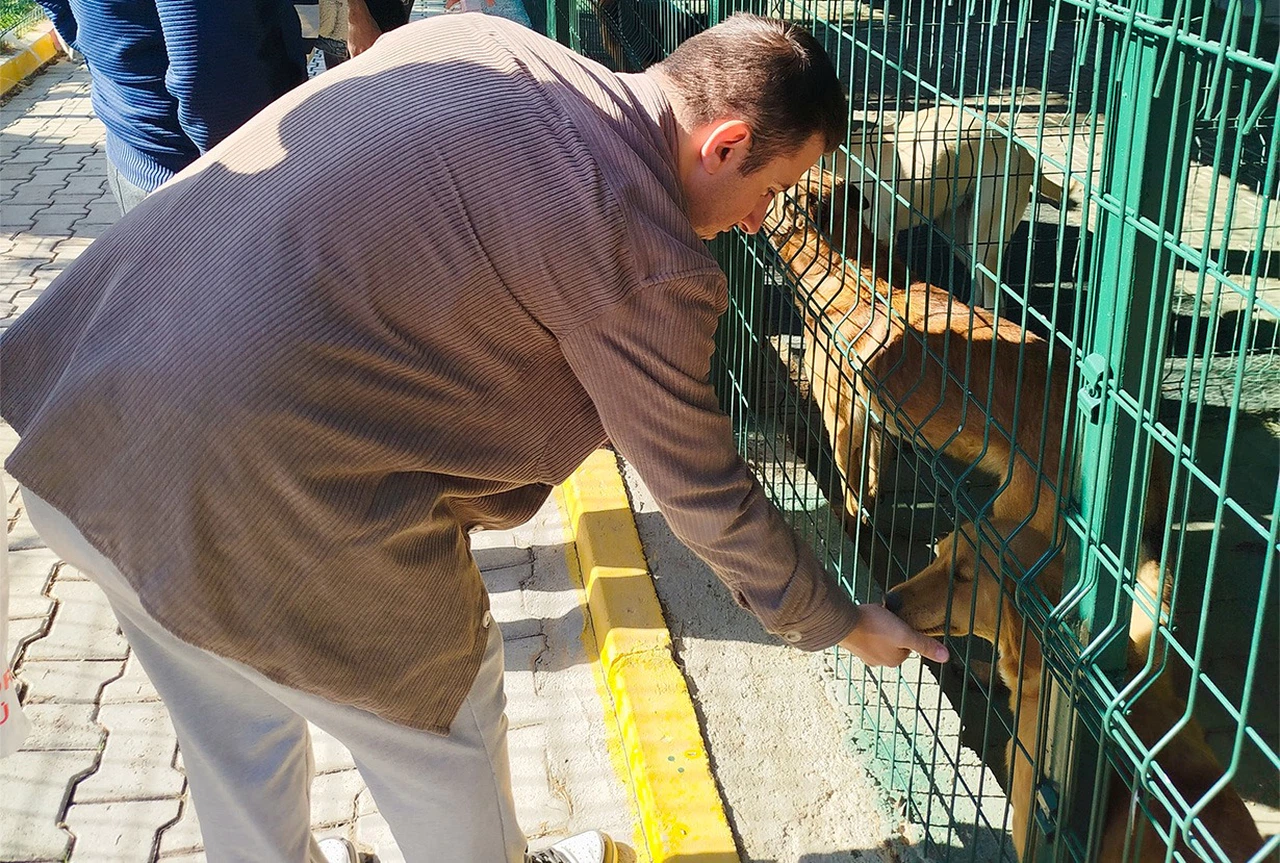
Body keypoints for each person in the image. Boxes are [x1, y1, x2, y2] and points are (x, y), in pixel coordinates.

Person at [0, 12, 948, 863]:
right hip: (256, 494)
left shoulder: (486, 45)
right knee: (442, 722)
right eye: (769, 188)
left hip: (89, 431)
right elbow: (701, 489)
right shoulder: (645, 253)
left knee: (233, 723)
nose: (757, 221)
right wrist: (839, 619)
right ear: (726, 142)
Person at [34, 0, 310, 214]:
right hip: (206, 174)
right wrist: (249, 181)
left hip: (133, 142)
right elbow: (210, 73)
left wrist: (105, 51)